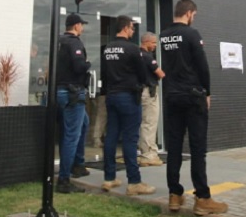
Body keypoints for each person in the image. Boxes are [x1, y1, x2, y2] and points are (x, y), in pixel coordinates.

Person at [160, 0, 229, 216]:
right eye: (194, 15)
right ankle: (202, 198)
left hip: (172, 96)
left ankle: (174, 194)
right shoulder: (191, 34)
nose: (193, 19)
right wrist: (207, 92)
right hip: (192, 96)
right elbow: (202, 66)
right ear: (189, 13)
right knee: (198, 148)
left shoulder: (163, 36)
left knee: (174, 147)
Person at [101, 16, 156, 195]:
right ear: (125, 28)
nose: (133, 31)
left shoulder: (108, 48)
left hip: (112, 96)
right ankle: (134, 181)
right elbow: (142, 74)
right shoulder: (132, 49)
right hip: (129, 97)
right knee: (130, 139)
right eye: (132, 28)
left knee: (111, 136)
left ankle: (109, 177)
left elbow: (104, 73)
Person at [55, 13, 91, 193]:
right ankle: (64, 179)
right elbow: (79, 66)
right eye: (81, 25)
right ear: (76, 26)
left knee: (84, 123)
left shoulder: (59, 41)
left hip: (60, 91)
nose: (82, 28)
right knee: (71, 135)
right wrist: (88, 64)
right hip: (73, 93)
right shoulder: (74, 42)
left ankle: (78, 164)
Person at [138, 31, 165, 166]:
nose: (155, 45)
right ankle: (149, 155)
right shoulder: (148, 57)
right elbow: (160, 73)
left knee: (142, 123)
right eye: (153, 42)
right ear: (146, 42)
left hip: (138, 91)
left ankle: (144, 151)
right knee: (150, 123)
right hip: (149, 92)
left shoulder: (135, 55)